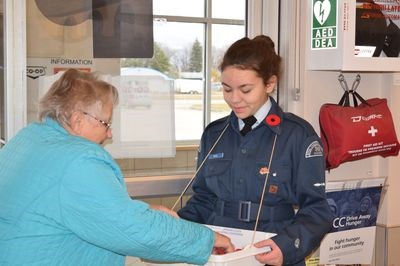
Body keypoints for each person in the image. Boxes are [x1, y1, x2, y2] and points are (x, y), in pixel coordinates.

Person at [0, 69, 234, 266]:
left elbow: (78, 206)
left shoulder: (28, 139)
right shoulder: (79, 159)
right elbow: (134, 231)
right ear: (77, 119)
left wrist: (141, 210)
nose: (109, 133)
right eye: (105, 123)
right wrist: (205, 240)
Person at [177, 35, 334, 266]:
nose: (234, 99)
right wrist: (173, 227)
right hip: (221, 252)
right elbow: (203, 200)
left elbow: (317, 210)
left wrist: (287, 246)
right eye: (227, 89)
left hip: (271, 248)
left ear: (269, 84)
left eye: (245, 89)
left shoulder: (297, 135)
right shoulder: (214, 133)